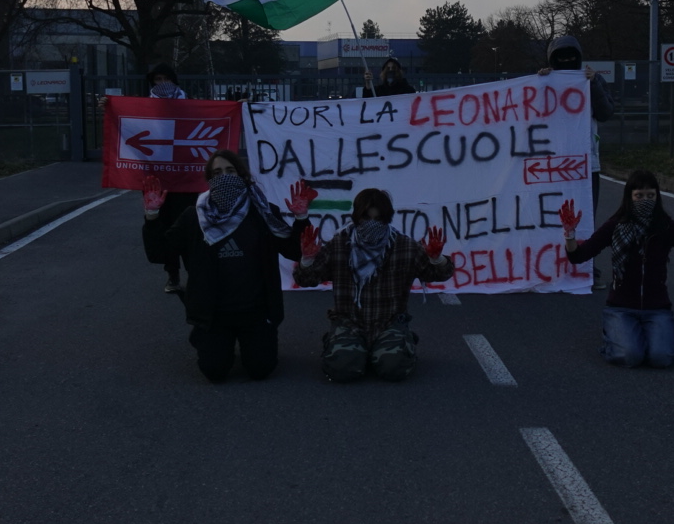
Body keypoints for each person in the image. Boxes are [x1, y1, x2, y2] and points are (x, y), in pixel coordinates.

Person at [144, 151, 313, 383]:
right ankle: (204, 336)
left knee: (260, 370)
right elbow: (159, 253)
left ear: (242, 175)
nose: (224, 176)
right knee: (214, 372)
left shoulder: (264, 212)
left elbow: (293, 250)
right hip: (214, 314)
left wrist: (301, 218)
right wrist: (152, 216)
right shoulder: (194, 217)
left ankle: (260, 338)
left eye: (230, 171)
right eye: (217, 173)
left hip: (256, 311)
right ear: (209, 180)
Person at [559, 169, 674, 368]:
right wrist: (569, 235)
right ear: (629, 197)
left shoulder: (666, 227)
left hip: (657, 308)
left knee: (661, 358)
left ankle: (665, 336)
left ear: (657, 197)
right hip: (621, 308)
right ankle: (614, 335)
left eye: (650, 196)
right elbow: (578, 256)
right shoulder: (616, 225)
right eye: (639, 196)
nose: (645, 200)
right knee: (630, 356)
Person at [294, 190, 453, 382]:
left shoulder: (404, 246)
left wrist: (437, 259)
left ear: (387, 219)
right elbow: (307, 279)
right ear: (356, 217)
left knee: (394, 368)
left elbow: (438, 274)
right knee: (341, 369)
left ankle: (401, 340)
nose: (371, 224)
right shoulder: (340, 244)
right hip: (349, 322)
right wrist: (307, 260)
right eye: (366, 218)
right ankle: (341, 343)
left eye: (378, 219)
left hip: (388, 322)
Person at [135, 62, 195, 293]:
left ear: (174, 80)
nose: (161, 84)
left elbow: (214, 117)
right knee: (162, 226)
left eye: (165, 79)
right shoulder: (144, 107)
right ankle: (172, 275)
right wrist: (108, 106)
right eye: (157, 80)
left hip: (185, 177)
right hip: (156, 178)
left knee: (188, 224)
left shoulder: (189, 104)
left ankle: (194, 273)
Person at [536, 35, 614, 209]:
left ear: (578, 57)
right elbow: (532, 114)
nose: (567, 61)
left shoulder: (592, 80)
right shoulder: (545, 81)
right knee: (553, 217)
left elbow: (606, 113)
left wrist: (593, 84)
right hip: (551, 164)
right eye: (561, 58)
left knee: (585, 216)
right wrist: (540, 82)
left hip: (585, 164)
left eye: (571, 57)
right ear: (553, 59)